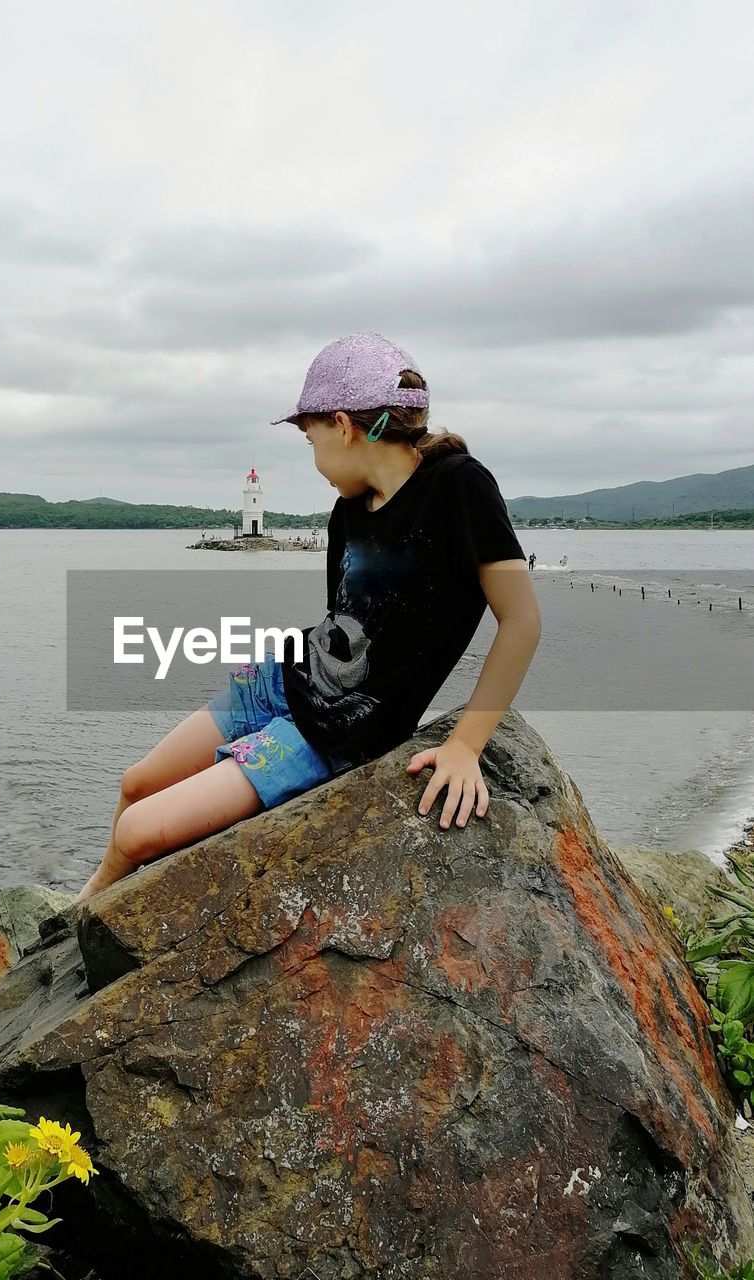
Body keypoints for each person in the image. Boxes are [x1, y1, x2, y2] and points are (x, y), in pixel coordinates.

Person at [77, 332, 542, 901]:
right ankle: (84, 907)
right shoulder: (347, 512)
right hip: (283, 677)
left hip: (334, 735)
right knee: (134, 785)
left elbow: (522, 621)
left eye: (309, 438)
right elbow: (341, 623)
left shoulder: (459, 486)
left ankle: (90, 909)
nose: (314, 459)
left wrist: (465, 746)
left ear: (343, 426)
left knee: (138, 831)